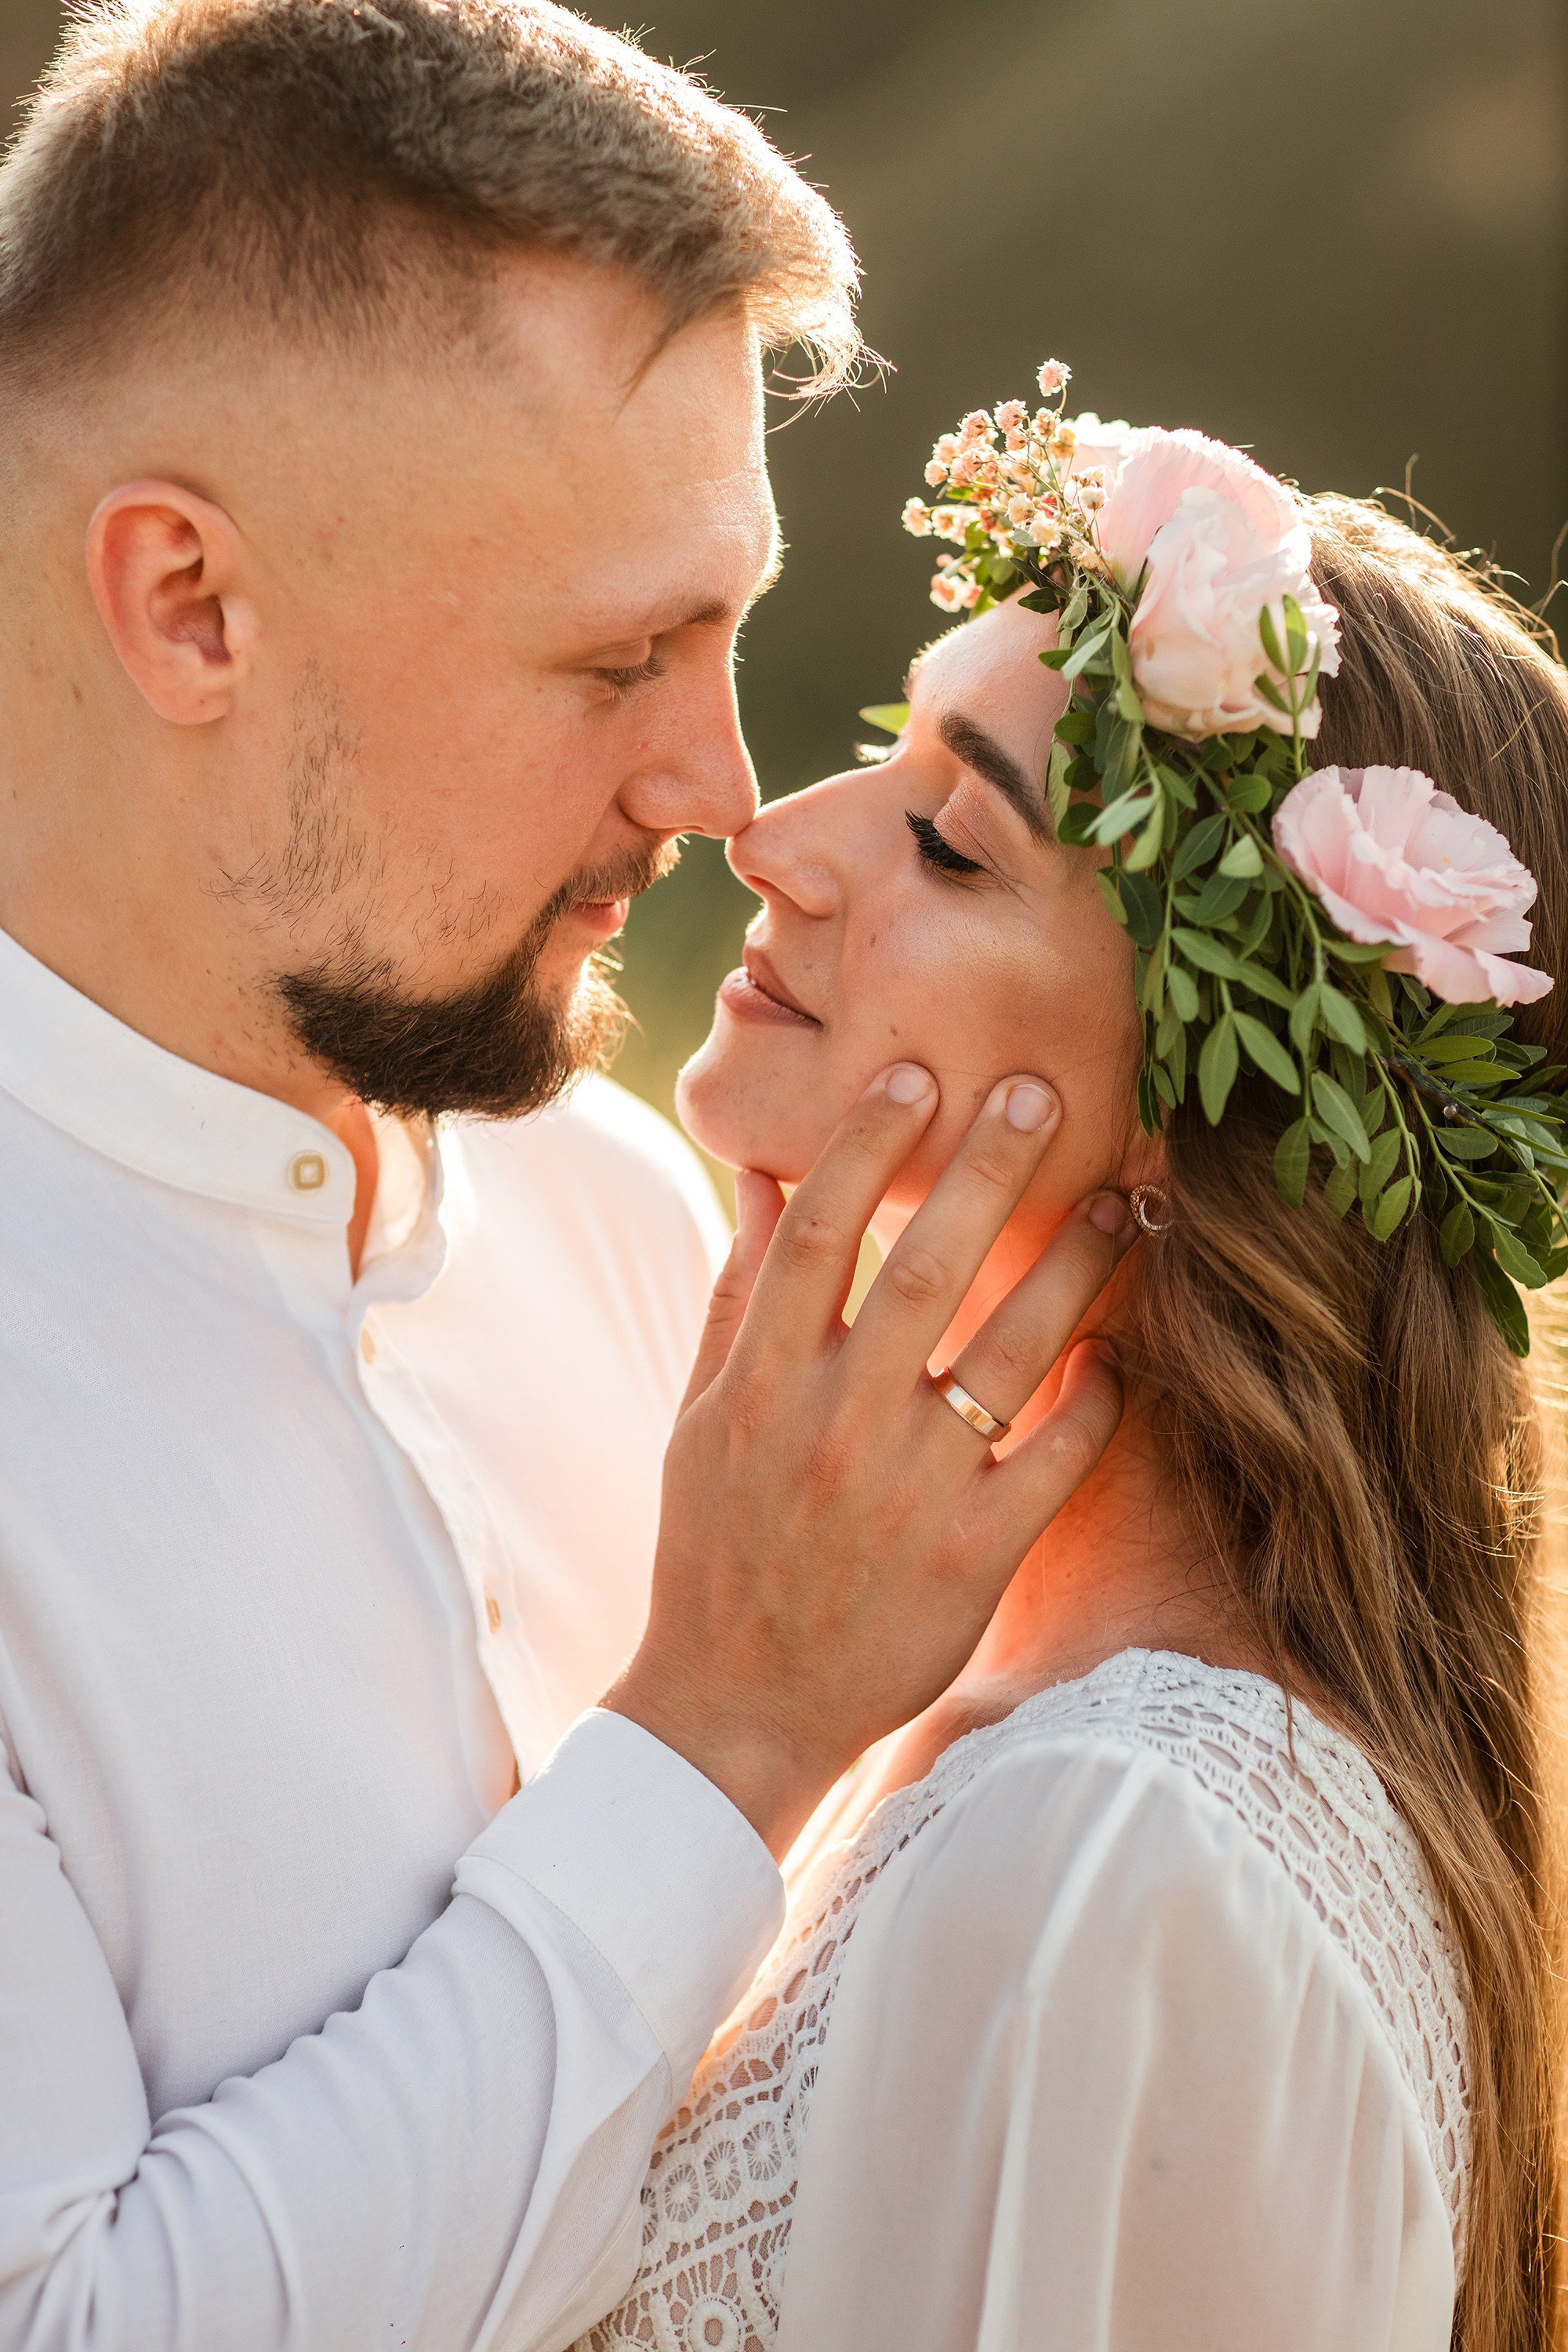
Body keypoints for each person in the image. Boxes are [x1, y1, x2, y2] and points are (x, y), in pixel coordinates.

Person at [0, 13, 1131, 2351]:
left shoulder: (625, 1212)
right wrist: (728, 1731)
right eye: (621, 658)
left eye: (727, 632)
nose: (722, 788)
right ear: (189, 603)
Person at [581, 400, 1568, 2352]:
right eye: (885, 753)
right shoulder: (974, 1738)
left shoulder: (1140, 1863)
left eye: (948, 839)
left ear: (1206, 1121)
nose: (771, 842)